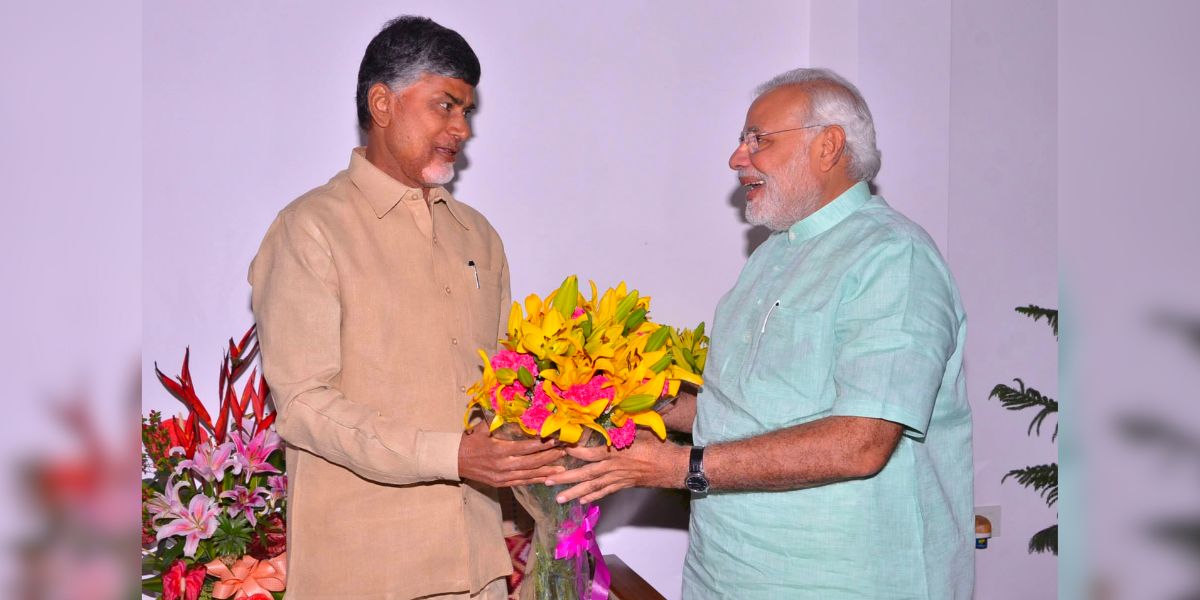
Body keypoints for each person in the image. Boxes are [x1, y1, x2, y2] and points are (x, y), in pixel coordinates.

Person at [548, 68, 974, 598]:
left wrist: (681, 467)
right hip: (726, 571)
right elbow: (745, 412)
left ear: (829, 146)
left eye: (758, 139)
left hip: (842, 579)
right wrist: (636, 402)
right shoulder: (773, 254)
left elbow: (862, 442)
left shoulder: (893, 256)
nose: (736, 158)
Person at [248, 16, 564, 599]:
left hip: (478, 569)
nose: (460, 128)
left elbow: (498, 388)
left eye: (466, 111)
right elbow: (303, 405)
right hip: (365, 572)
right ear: (382, 102)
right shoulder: (310, 229)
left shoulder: (478, 237)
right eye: (445, 105)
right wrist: (452, 455)